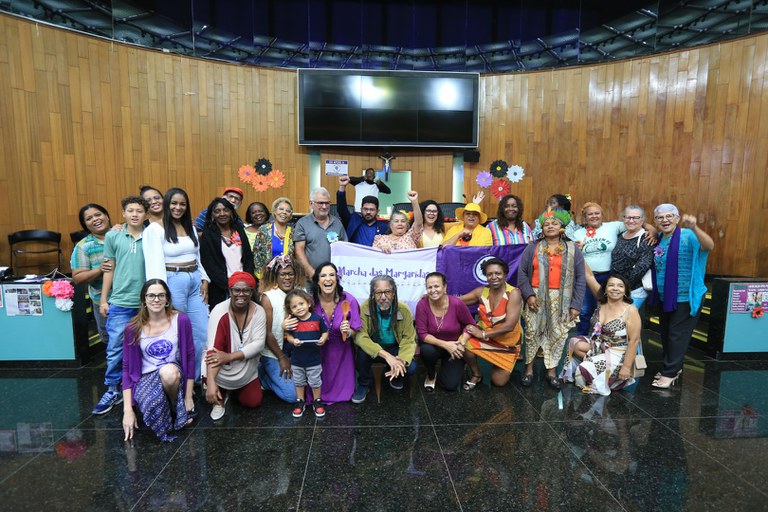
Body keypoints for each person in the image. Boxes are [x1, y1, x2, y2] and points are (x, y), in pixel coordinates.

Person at [143, 188, 210, 382]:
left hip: (195, 280)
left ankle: (196, 379)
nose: (178, 207)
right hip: (172, 281)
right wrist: (159, 294)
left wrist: (205, 279)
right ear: (166, 204)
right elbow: (153, 264)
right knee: (177, 333)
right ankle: (177, 380)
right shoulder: (155, 229)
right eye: (174, 203)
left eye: (182, 204)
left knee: (201, 332)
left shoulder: (190, 227)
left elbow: (197, 257)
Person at [517, 208, 586, 389]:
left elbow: (580, 278)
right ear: (541, 228)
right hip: (536, 297)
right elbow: (522, 273)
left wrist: (575, 305)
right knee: (532, 333)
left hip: (562, 300)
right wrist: (529, 295)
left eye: (554, 223)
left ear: (562, 227)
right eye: (546, 224)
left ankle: (552, 372)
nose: (550, 226)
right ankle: (529, 370)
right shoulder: (532, 247)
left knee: (557, 335)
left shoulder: (572, 248)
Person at [93, 196, 149, 415]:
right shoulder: (113, 235)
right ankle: (113, 389)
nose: (135, 214)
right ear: (123, 213)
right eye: (130, 210)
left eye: (139, 211)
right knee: (115, 347)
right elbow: (109, 269)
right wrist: (104, 299)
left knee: (146, 346)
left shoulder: (152, 235)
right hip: (120, 301)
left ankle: (141, 387)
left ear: (146, 214)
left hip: (148, 303)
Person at [121, 279, 196, 442]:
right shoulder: (132, 328)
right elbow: (126, 368)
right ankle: (170, 409)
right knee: (152, 406)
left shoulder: (180, 320)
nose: (156, 300)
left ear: (167, 299)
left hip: (174, 372)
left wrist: (188, 396)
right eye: (151, 296)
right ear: (144, 299)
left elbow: (190, 358)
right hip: (146, 377)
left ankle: (176, 407)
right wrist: (128, 410)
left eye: (161, 295)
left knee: (168, 372)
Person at [650, 204, 714, 389]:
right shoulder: (659, 237)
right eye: (660, 217)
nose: (665, 220)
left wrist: (694, 227)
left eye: (669, 216)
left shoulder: (688, 235)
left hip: (686, 296)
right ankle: (672, 367)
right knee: (666, 334)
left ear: (677, 218)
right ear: (656, 221)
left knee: (677, 335)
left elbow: (708, 245)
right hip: (664, 297)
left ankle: (670, 373)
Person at [561, 273, 641, 395]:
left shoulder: (631, 310)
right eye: (611, 285)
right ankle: (597, 364)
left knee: (583, 369)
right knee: (574, 343)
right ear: (605, 289)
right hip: (601, 346)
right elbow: (589, 277)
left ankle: (606, 374)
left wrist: (626, 367)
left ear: (625, 291)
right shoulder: (601, 304)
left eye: (620, 286)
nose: (615, 288)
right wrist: (579, 260)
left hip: (618, 352)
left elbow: (634, 341)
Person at [204, 272, 266, 421]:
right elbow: (213, 351)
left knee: (253, 401)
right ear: (230, 290)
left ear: (252, 292)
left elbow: (259, 344)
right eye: (236, 290)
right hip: (220, 367)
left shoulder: (259, 311)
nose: (241, 294)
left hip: (245, 366)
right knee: (212, 359)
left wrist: (229, 357)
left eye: (246, 290)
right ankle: (221, 395)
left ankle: (235, 389)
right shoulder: (219, 311)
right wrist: (210, 383)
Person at [460, 258, 524, 388]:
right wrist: (436, 297)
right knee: (463, 342)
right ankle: (477, 374)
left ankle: (510, 359)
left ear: (505, 274)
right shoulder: (481, 292)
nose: (494, 277)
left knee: (499, 382)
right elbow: (457, 301)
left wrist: (483, 334)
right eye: (489, 274)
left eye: (498, 273)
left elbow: (509, 325)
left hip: (507, 344)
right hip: (487, 339)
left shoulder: (513, 293)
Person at [352, 275, 417, 403]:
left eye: (387, 292)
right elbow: (361, 336)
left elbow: (408, 339)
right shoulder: (365, 308)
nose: (383, 297)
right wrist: (387, 356)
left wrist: (400, 361)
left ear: (393, 293)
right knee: (361, 354)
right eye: (378, 293)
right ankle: (364, 384)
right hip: (373, 348)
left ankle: (395, 375)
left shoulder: (404, 310)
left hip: (394, 348)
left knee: (411, 368)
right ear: (373, 294)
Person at [415, 272, 475, 391]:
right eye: (429, 287)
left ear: (445, 287)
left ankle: (451, 366)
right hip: (433, 346)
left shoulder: (457, 303)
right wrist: (446, 345)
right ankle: (431, 374)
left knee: (450, 386)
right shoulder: (422, 305)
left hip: (455, 346)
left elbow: (471, 324)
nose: (433, 290)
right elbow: (422, 334)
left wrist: (462, 342)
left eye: (436, 286)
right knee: (426, 350)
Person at [312, 262, 362, 403]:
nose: (328, 279)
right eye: (323, 275)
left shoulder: (348, 300)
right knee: (314, 395)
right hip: (316, 353)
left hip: (342, 353)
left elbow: (356, 329)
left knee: (344, 396)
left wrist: (348, 331)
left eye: (332, 275)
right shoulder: (310, 301)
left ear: (337, 279)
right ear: (317, 280)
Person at [258, 254, 303, 403]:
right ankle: (264, 377)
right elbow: (267, 333)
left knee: (310, 386)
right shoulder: (268, 298)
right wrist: (282, 358)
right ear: (276, 277)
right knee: (293, 396)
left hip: (295, 350)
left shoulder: (301, 292)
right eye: (282, 274)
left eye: (290, 274)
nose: (287, 278)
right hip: (274, 352)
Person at [200, 198, 255, 309]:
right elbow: (209, 264)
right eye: (217, 211)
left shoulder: (239, 229)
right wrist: (230, 285)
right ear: (212, 215)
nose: (222, 214)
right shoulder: (208, 233)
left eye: (226, 210)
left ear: (231, 212)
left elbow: (248, 257)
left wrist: (246, 280)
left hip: (244, 285)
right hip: (221, 288)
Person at [71, 203, 112, 348]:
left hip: (131, 297)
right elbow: (77, 278)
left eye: (98, 214)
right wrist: (100, 269)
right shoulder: (83, 246)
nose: (95, 219)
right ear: (85, 225)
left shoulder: (123, 235)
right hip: (103, 300)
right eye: (89, 218)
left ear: (107, 216)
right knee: (109, 339)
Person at [283, 289, 328, 418]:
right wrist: (293, 341)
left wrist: (323, 339)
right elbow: (288, 336)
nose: (299, 308)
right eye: (294, 307)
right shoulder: (292, 321)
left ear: (308, 303)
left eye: (301, 304)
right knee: (299, 382)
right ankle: (300, 402)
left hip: (314, 360)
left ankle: (317, 401)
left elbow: (325, 332)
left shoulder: (317, 319)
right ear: (291, 310)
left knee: (315, 382)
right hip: (297, 360)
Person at [293, 187, 348, 279]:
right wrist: (312, 274)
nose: (324, 206)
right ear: (311, 204)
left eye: (327, 203)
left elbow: (344, 249)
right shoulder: (302, 223)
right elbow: (299, 251)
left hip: (332, 279)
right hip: (309, 279)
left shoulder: (337, 223)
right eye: (320, 203)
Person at [610, 206, 654, 309]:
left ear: (642, 220)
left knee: (628, 317)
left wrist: (623, 287)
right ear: (623, 218)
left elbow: (642, 266)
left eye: (636, 218)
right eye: (628, 217)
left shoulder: (646, 238)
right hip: (617, 289)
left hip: (635, 290)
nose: (631, 220)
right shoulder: (620, 236)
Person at [336, 175, 389, 246]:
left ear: (377, 211)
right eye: (365, 209)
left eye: (372, 210)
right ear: (361, 209)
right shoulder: (354, 220)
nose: (368, 212)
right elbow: (341, 209)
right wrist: (342, 186)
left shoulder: (384, 227)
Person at [252, 197, 295, 278]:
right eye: (281, 209)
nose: (284, 212)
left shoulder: (293, 232)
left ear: (290, 214)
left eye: (288, 210)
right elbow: (257, 255)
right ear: (274, 211)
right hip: (267, 277)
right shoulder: (264, 230)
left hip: (287, 277)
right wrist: (261, 277)